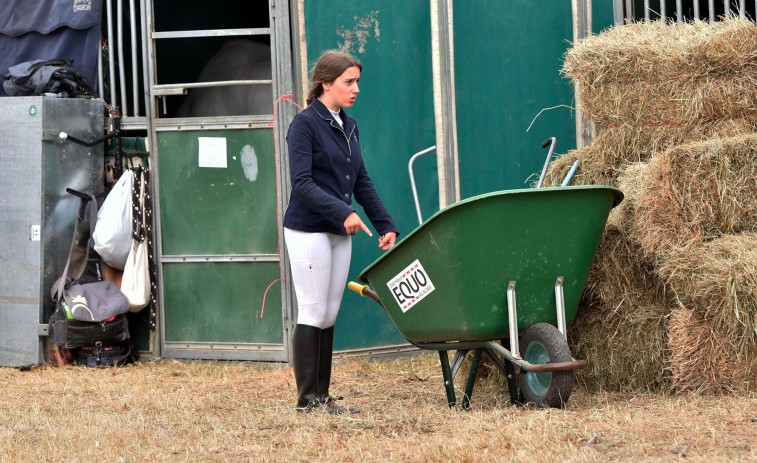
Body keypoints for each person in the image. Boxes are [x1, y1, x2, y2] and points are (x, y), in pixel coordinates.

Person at [284, 50, 398, 414]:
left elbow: (361, 181)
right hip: (307, 230)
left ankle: (322, 395)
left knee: (330, 313)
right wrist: (343, 211)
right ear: (326, 83)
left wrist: (385, 224)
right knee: (313, 310)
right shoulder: (304, 124)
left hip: (339, 229)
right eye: (349, 82)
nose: (356, 89)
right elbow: (301, 184)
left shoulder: (348, 125)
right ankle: (306, 401)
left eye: (357, 82)